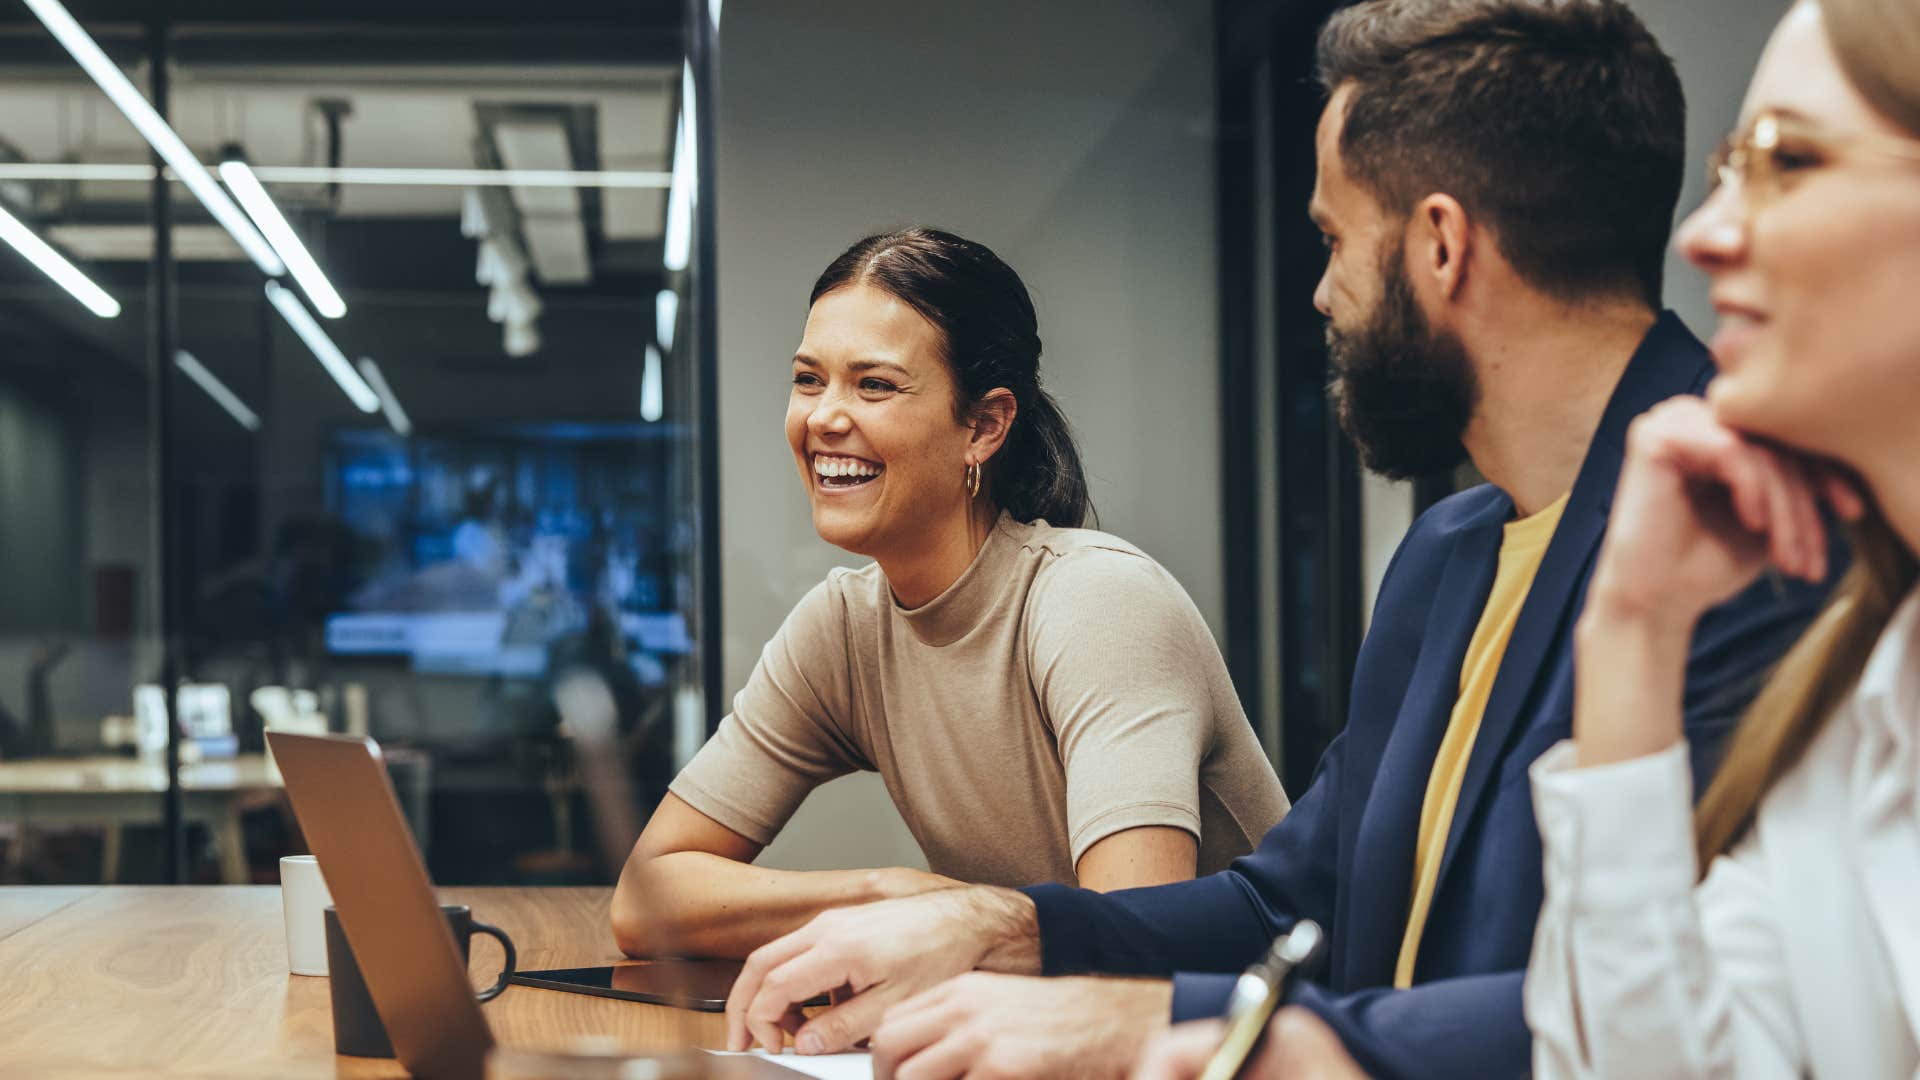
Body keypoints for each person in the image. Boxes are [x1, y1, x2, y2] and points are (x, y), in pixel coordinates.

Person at [719, 3, 1843, 1077]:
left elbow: (1679, 1017)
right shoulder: (1451, 553)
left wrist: (1167, 1025)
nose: (1320, 294)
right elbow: (1291, 900)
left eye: (1333, 238)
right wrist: (1002, 932)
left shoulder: (1759, 545)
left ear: (1440, 247)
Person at [609, 228, 1289, 959]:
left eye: (874, 384)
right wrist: (889, 894)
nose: (824, 417)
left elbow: (1130, 952)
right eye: (809, 379)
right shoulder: (844, 628)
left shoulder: (1099, 601)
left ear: (985, 426)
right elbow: (645, 904)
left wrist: (951, 922)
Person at [1526, 1, 1920, 1075]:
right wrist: (1632, 633)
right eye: (1729, 167)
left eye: (1789, 159)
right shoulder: (1861, 706)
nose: (1702, 233)